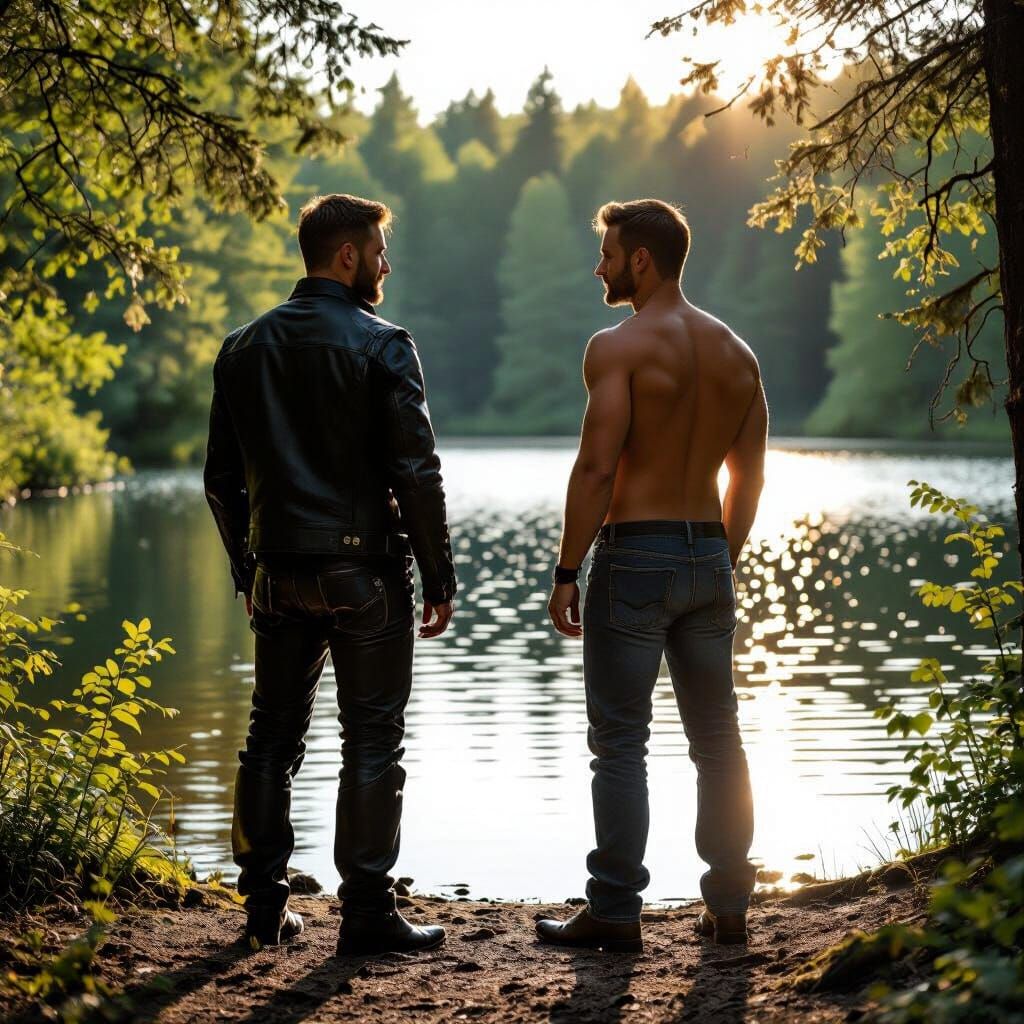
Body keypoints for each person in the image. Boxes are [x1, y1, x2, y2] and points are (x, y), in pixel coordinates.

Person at [204, 193, 457, 954]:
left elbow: (221, 480)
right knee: (372, 739)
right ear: (347, 255)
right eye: (379, 249)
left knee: (268, 740)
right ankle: (369, 917)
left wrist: (249, 571)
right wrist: (439, 577)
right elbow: (416, 471)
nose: (386, 263)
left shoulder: (242, 347)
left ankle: (261, 911)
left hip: (278, 574)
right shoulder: (384, 344)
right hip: (365, 576)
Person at [536, 198, 768, 953]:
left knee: (621, 743)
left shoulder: (619, 346)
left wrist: (568, 570)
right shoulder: (738, 354)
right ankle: (729, 903)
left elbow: (597, 466)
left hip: (634, 553)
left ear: (641, 259)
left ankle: (614, 909)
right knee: (718, 738)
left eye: (606, 253)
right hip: (709, 551)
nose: (597, 266)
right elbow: (751, 481)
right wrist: (715, 562)